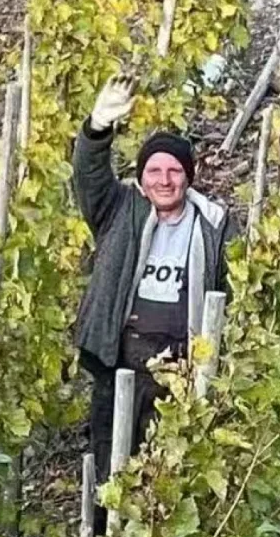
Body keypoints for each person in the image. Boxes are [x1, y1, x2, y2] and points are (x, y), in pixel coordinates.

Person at [73, 76, 238, 482]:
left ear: (189, 176)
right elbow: (88, 176)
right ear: (141, 177)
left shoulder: (215, 226)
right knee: (112, 468)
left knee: (167, 475)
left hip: (180, 370)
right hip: (120, 363)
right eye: (154, 170)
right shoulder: (120, 209)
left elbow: (236, 290)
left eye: (174, 171)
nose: (164, 180)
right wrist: (97, 127)